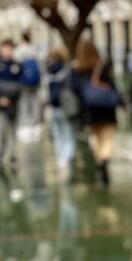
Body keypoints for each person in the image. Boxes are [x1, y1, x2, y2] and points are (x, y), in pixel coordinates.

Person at [70, 37, 119, 187]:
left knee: (96, 137)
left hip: (90, 109)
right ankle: (105, 161)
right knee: (108, 137)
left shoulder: (77, 68)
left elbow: (74, 89)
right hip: (106, 108)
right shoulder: (103, 64)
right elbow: (112, 85)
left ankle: (99, 160)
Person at [0, 38, 23, 174]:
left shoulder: (17, 65)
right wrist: (0, 98)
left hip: (13, 103)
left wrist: (11, 98)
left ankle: (12, 155)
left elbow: (20, 84)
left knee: (12, 130)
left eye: (10, 48)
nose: (7, 51)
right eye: (5, 48)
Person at [46, 46, 78, 183]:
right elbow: (74, 88)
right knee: (68, 133)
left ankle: (60, 157)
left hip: (53, 107)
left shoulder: (49, 70)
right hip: (66, 107)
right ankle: (67, 157)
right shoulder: (68, 70)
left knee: (58, 133)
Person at [14, 30, 43, 141]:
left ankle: (25, 125)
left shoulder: (18, 50)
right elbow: (41, 66)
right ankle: (35, 125)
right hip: (35, 82)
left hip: (23, 82)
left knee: (24, 102)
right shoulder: (35, 49)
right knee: (35, 102)